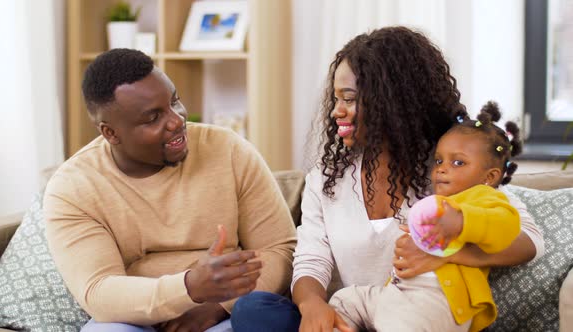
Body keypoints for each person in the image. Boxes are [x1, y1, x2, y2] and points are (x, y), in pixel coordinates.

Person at [230, 26, 544, 332]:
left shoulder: (448, 170)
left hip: (415, 318)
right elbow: (311, 260)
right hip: (351, 313)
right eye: (336, 99)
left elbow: (528, 241)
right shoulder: (326, 178)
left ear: (393, 103)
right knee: (253, 311)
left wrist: (443, 253)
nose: (337, 111)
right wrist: (313, 306)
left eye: (349, 99)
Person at [43, 48, 297, 332]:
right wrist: (189, 288)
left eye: (174, 101)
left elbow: (280, 250)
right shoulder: (73, 187)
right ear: (111, 133)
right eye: (152, 118)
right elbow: (99, 292)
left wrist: (215, 307)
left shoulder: (228, 149)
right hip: (135, 318)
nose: (177, 121)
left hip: (225, 313)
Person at [328, 101, 523, 331]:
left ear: (489, 177)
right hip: (397, 294)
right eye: (439, 160)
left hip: (437, 301)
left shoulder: (483, 198)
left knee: (400, 325)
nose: (441, 168)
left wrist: (461, 221)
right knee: (344, 301)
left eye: (458, 162)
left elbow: (506, 226)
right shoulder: (435, 201)